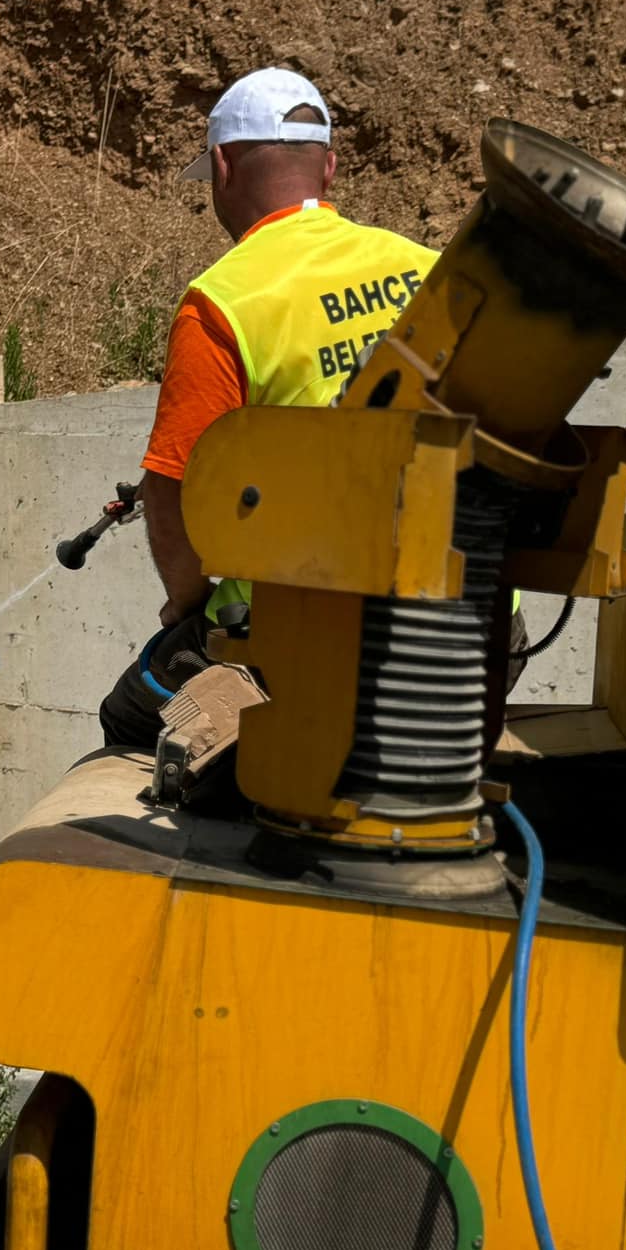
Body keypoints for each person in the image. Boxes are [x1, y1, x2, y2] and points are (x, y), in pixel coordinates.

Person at [97, 67, 445, 750]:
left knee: (135, 713)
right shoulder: (429, 269)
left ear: (222, 166)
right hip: (473, 629)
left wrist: (185, 603)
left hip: (305, 640)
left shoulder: (225, 300)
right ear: (330, 170)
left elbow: (173, 487)